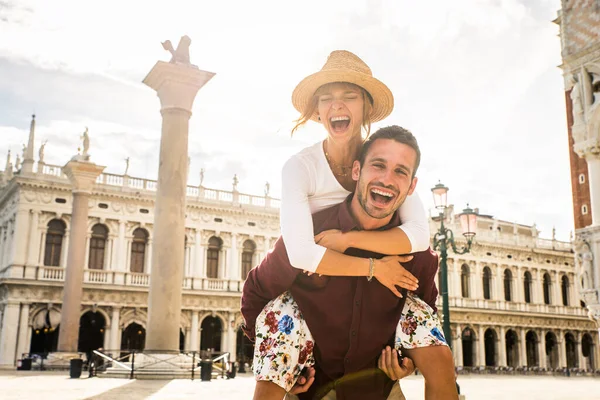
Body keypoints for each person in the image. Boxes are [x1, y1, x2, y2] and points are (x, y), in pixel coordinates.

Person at [273, 50, 455, 397]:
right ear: (317, 110)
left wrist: (348, 239)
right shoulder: (301, 167)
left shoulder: (383, 160)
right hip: (316, 285)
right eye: (326, 98)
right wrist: (375, 267)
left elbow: (418, 235)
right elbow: (300, 253)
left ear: (365, 108)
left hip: (373, 294)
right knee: (276, 370)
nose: (336, 105)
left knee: (441, 361)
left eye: (349, 96)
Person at [242, 126, 457, 399]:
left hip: (377, 384)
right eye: (378, 165)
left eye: (400, 172)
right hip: (315, 386)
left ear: (411, 187)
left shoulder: (416, 254)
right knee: (281, 313)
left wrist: (409, 359)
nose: (387, 179)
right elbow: (257, 292)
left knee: (440, 354)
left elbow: (427, 307)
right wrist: (276, 359)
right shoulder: (310, 234)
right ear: (357, 171)